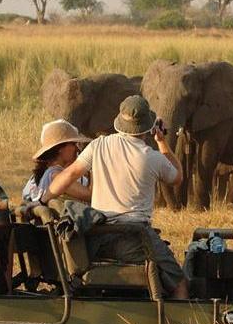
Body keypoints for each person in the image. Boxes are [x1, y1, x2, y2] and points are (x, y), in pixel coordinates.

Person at [40, 95, 189, 299]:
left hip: (97, 237)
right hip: (134, 238)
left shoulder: (98, 145)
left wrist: (43, 200)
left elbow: (68, 175)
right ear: (148, 125)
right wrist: (162, 142)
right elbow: (178, 177)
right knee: (179, 281)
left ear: (119, 121)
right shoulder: (151, 157)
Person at [21, 119, 91, 203]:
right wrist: (93, 170)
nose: (77, 149)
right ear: (60, 149)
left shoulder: (47, 172)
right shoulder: (56, 175)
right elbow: (90, 196)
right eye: (73, 144)